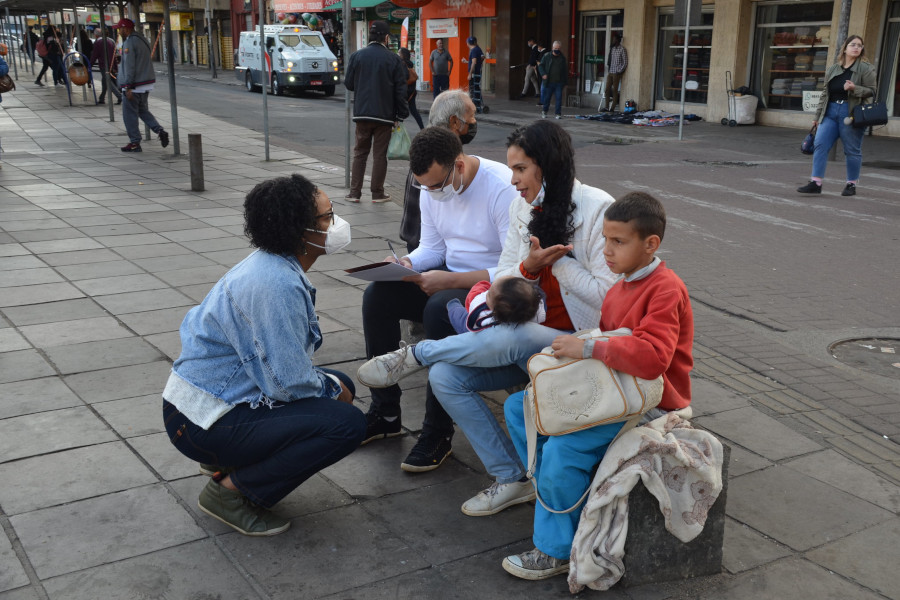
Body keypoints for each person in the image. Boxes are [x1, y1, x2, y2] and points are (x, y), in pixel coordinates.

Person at [358, 121, 617, 517]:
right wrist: (528, 267)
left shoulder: (598, 210)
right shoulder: (522, 206)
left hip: (577, 338)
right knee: (446, 376)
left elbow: (607, 298)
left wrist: (556, 262)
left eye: (521, 169)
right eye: (512, 169)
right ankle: (511, 478)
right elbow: (505, 275)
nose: (513, 180)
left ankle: (418, 354)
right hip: (521, 327)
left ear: (548, 165)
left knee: (506, 333)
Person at [501, 191, 694, 581]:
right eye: (605, 239)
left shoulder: (665, 288)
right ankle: (558, 499)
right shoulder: (621, 286)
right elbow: (609, 344)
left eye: (618, 242)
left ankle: (554, 550)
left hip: (649, 402)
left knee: (562, 449)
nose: (607, 250)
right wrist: (576, 353)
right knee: (520, 408)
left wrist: (587, 345)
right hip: (614, 389)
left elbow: (654, 357)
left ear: (650, 244)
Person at [162, 174, 367, 537]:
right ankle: (228, 494)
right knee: (345, 423)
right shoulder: (276, 284)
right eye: (327, 216)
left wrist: (333, 387)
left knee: (341, 388)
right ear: (300, 230)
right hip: (199, 422)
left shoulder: (272, 264)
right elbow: (287, 385)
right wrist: (333, 392)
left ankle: (227, 461)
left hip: (201, 406)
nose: (334, 223)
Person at [359, 126, 515, 473]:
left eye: (434, 185)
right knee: (378, 296)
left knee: (439, 307)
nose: (429, 193)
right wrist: (406, 264)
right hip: (450, 277)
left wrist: (451, 279)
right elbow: (433, 247)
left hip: (489, 290)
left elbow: (512, 268)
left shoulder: (502, 187)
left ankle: (437, 432)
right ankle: (385, 412)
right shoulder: (431, 187)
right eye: (422, 186)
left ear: (458, 165)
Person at [400, 89, 479, 253]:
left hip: (417, 239)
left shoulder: (427, 144)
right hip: (426, 245)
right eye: (471, 116)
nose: (474, 121)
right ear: (455, 122)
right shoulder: (436, 156)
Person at [797, 35, 876, 198]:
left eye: (859, 46)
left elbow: (872, 91)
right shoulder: (833, 69)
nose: (856, 48)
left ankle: (851, 184)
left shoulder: (866, 68)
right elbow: (825, 93)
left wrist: (855, 88)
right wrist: (817, 116)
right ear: (845, 48)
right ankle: (816, 183)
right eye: (853, 44)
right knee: (820, 144)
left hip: (851, 112)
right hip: (830, 111)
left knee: (852, 150)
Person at [344, 20, 409, 203]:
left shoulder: (357, 56)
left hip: (362, 114)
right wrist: (401, 114)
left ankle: (354, 193)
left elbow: (349, 84)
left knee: (360, 153)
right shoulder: (393, 59)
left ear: (370, 36)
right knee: (379, 155)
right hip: (384, 116)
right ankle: (377, 193)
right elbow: (400, 90)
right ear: (386, 37)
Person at [113, 18, 169, 153]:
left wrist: (128, 86)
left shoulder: (130, 43)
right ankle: (159, 130)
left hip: (135, 85)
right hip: (144, 83)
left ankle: (134, 142)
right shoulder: (142, 39)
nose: (119, 32)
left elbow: (130, 66)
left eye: (120, 29)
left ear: (126, 29)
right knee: (142, 110)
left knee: (129, 115)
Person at [91, 28, 121, 105]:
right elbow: (115, 55)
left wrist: (90, 64)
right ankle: (101, 98)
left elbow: (95, 55)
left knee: (108, 82)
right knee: (105, 81)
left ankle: (119, 96)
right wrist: (115, 66)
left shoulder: (98, 42)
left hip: (104, 65)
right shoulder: (111, 41)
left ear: (96, 35)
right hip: (112, 64)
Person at [539, 41, 567, 119]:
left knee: (559, 98)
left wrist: (564, 82)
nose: (556, 50)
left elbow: (565, 70)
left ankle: (558, 113)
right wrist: (543, 74)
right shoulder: (547, 56)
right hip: (549, 82)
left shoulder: (562, 58)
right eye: (555, 48)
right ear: (552, 48)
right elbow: (541, 66)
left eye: (558, 48)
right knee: (547, 98)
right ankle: (544, 111)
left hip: (558, 82)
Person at [399, 47, 424, 130]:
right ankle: (422, 128)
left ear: (403, 55)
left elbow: (405, 76)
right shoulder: (409, 63)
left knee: (399, 111)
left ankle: (399, 130)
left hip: (405, 92)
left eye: (399, 53)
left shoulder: (402, 63)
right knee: (414, 111)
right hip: (412, 92)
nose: (398, 55)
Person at [602, 34, 627, 112]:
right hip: (611, 71)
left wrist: (619, 70)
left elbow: (625, 61)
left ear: (617, 40)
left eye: (614, 39)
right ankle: (606, 107)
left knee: (615, 90)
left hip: (616, 72)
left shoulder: (622, 49)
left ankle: (612, 108)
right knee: (607, 89)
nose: (613, 41)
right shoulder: (612, 49)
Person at [463, 36, 485, 113]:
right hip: (477, 71)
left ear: (468, 43)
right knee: (476, 88)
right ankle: (477, 105)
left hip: (474, 73)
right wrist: (467, 62)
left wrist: (470, 73)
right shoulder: (478, 49)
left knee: (473, 89)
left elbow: (474, 62)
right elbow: (482, 57)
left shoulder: (473, 50)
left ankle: (474, 106)